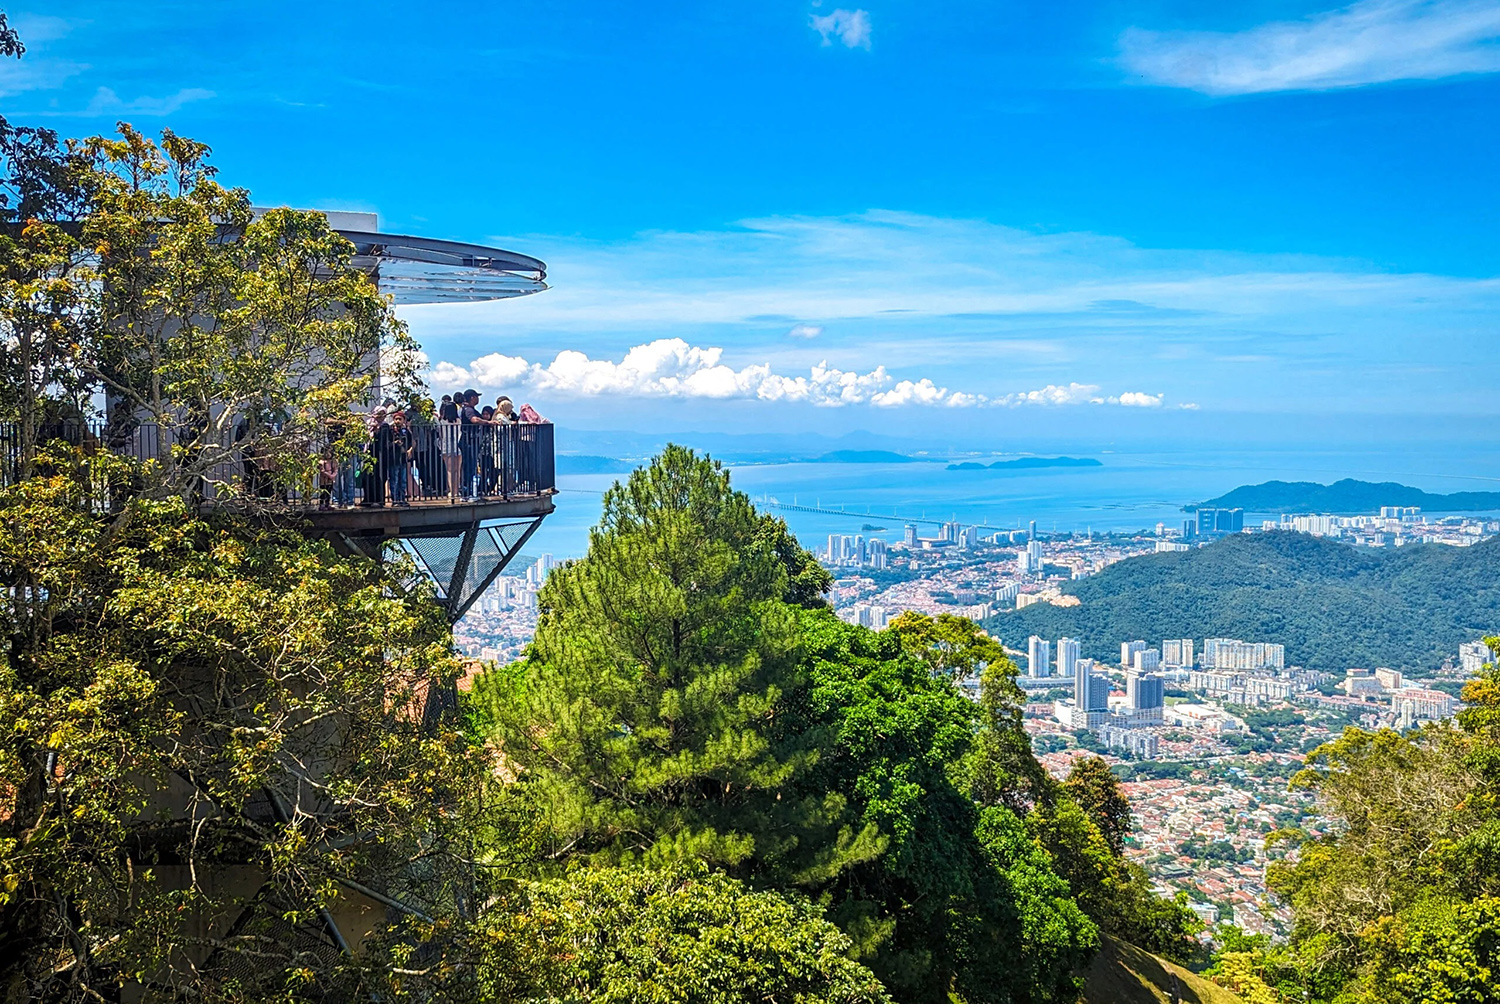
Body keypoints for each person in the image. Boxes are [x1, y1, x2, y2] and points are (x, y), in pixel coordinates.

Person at [386, 411, 415, 506]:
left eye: (400, 419)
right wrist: (394, 443)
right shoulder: (390, 431)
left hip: (403, 459)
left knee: (403, 480)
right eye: (396, 419)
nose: (398, 421)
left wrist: (410, 450)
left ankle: (402, 499)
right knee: (394, 480)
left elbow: (412, 442)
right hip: (393, 459)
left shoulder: (406, 431)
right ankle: (395, 500)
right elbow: (387, 444)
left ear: (404, 420)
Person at [438, 397, 463, 502]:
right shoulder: (458, 421)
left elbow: (441, 435)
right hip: (456, 446)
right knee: (457, 470)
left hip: (446, 446)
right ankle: (456, 491)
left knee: (449, 470)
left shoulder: (442, 421)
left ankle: (451, 491)